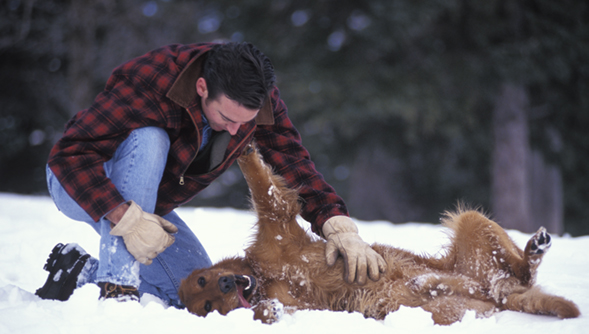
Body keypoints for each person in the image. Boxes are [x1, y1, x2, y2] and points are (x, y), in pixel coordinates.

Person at [36, 42, 386, 307]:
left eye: (244, 124)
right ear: (202, 87)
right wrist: (123, 217)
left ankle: (79, 273)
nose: (236, 132)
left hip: (146, 207)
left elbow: (292, 161)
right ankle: (118, 289)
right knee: (150, 138)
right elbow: (68, 156)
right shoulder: (152, 81)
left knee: (194, 289)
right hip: (84, 186)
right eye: (227, 119)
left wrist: (336, 224)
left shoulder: (257, 99)